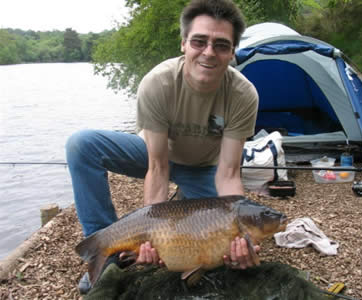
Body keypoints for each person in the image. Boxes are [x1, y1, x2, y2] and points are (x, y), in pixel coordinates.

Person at [66, 0, 259, 294]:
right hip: (157, 157)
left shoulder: (244, 95)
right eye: (199, 41)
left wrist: (238, 232)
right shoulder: (157, 83)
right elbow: (157, 168)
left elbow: (230, 172)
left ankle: (188, 200)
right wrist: (150, 235)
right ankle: (103, 251)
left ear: (232, 52)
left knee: (217, 252)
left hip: (206, 168)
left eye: (221, 45)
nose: (208, 52)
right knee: (81, 145)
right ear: (184, 44)